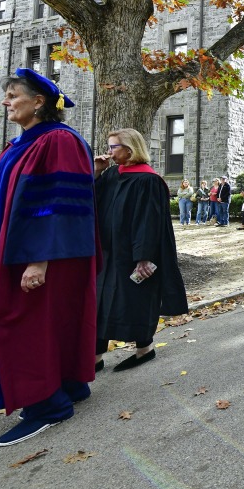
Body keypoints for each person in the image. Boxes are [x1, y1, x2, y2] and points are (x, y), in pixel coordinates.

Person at [0, 67, 98, 447]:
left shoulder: (58, 140)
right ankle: (69, 383)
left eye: (12, 94)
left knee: (27, 323)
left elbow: (56, 205)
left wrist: (38, 259)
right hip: (10, 252)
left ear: (39, 101)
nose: (5, 100)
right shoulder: (21, 142)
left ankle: (47, 405)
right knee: (42, 322)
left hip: (37, 257)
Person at [93, 128, 188, 372]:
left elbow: (149, 222)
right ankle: (95, 356)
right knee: (99, 300)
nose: (110, 151)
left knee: (134, 301)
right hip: (106, 252)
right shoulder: (111, 174)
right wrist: (96, 172)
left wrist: (143, 258)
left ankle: (144, 349)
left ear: (129, 149)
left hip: (132, 255)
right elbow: (90, 200)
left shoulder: (148, 180)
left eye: (114, 146)